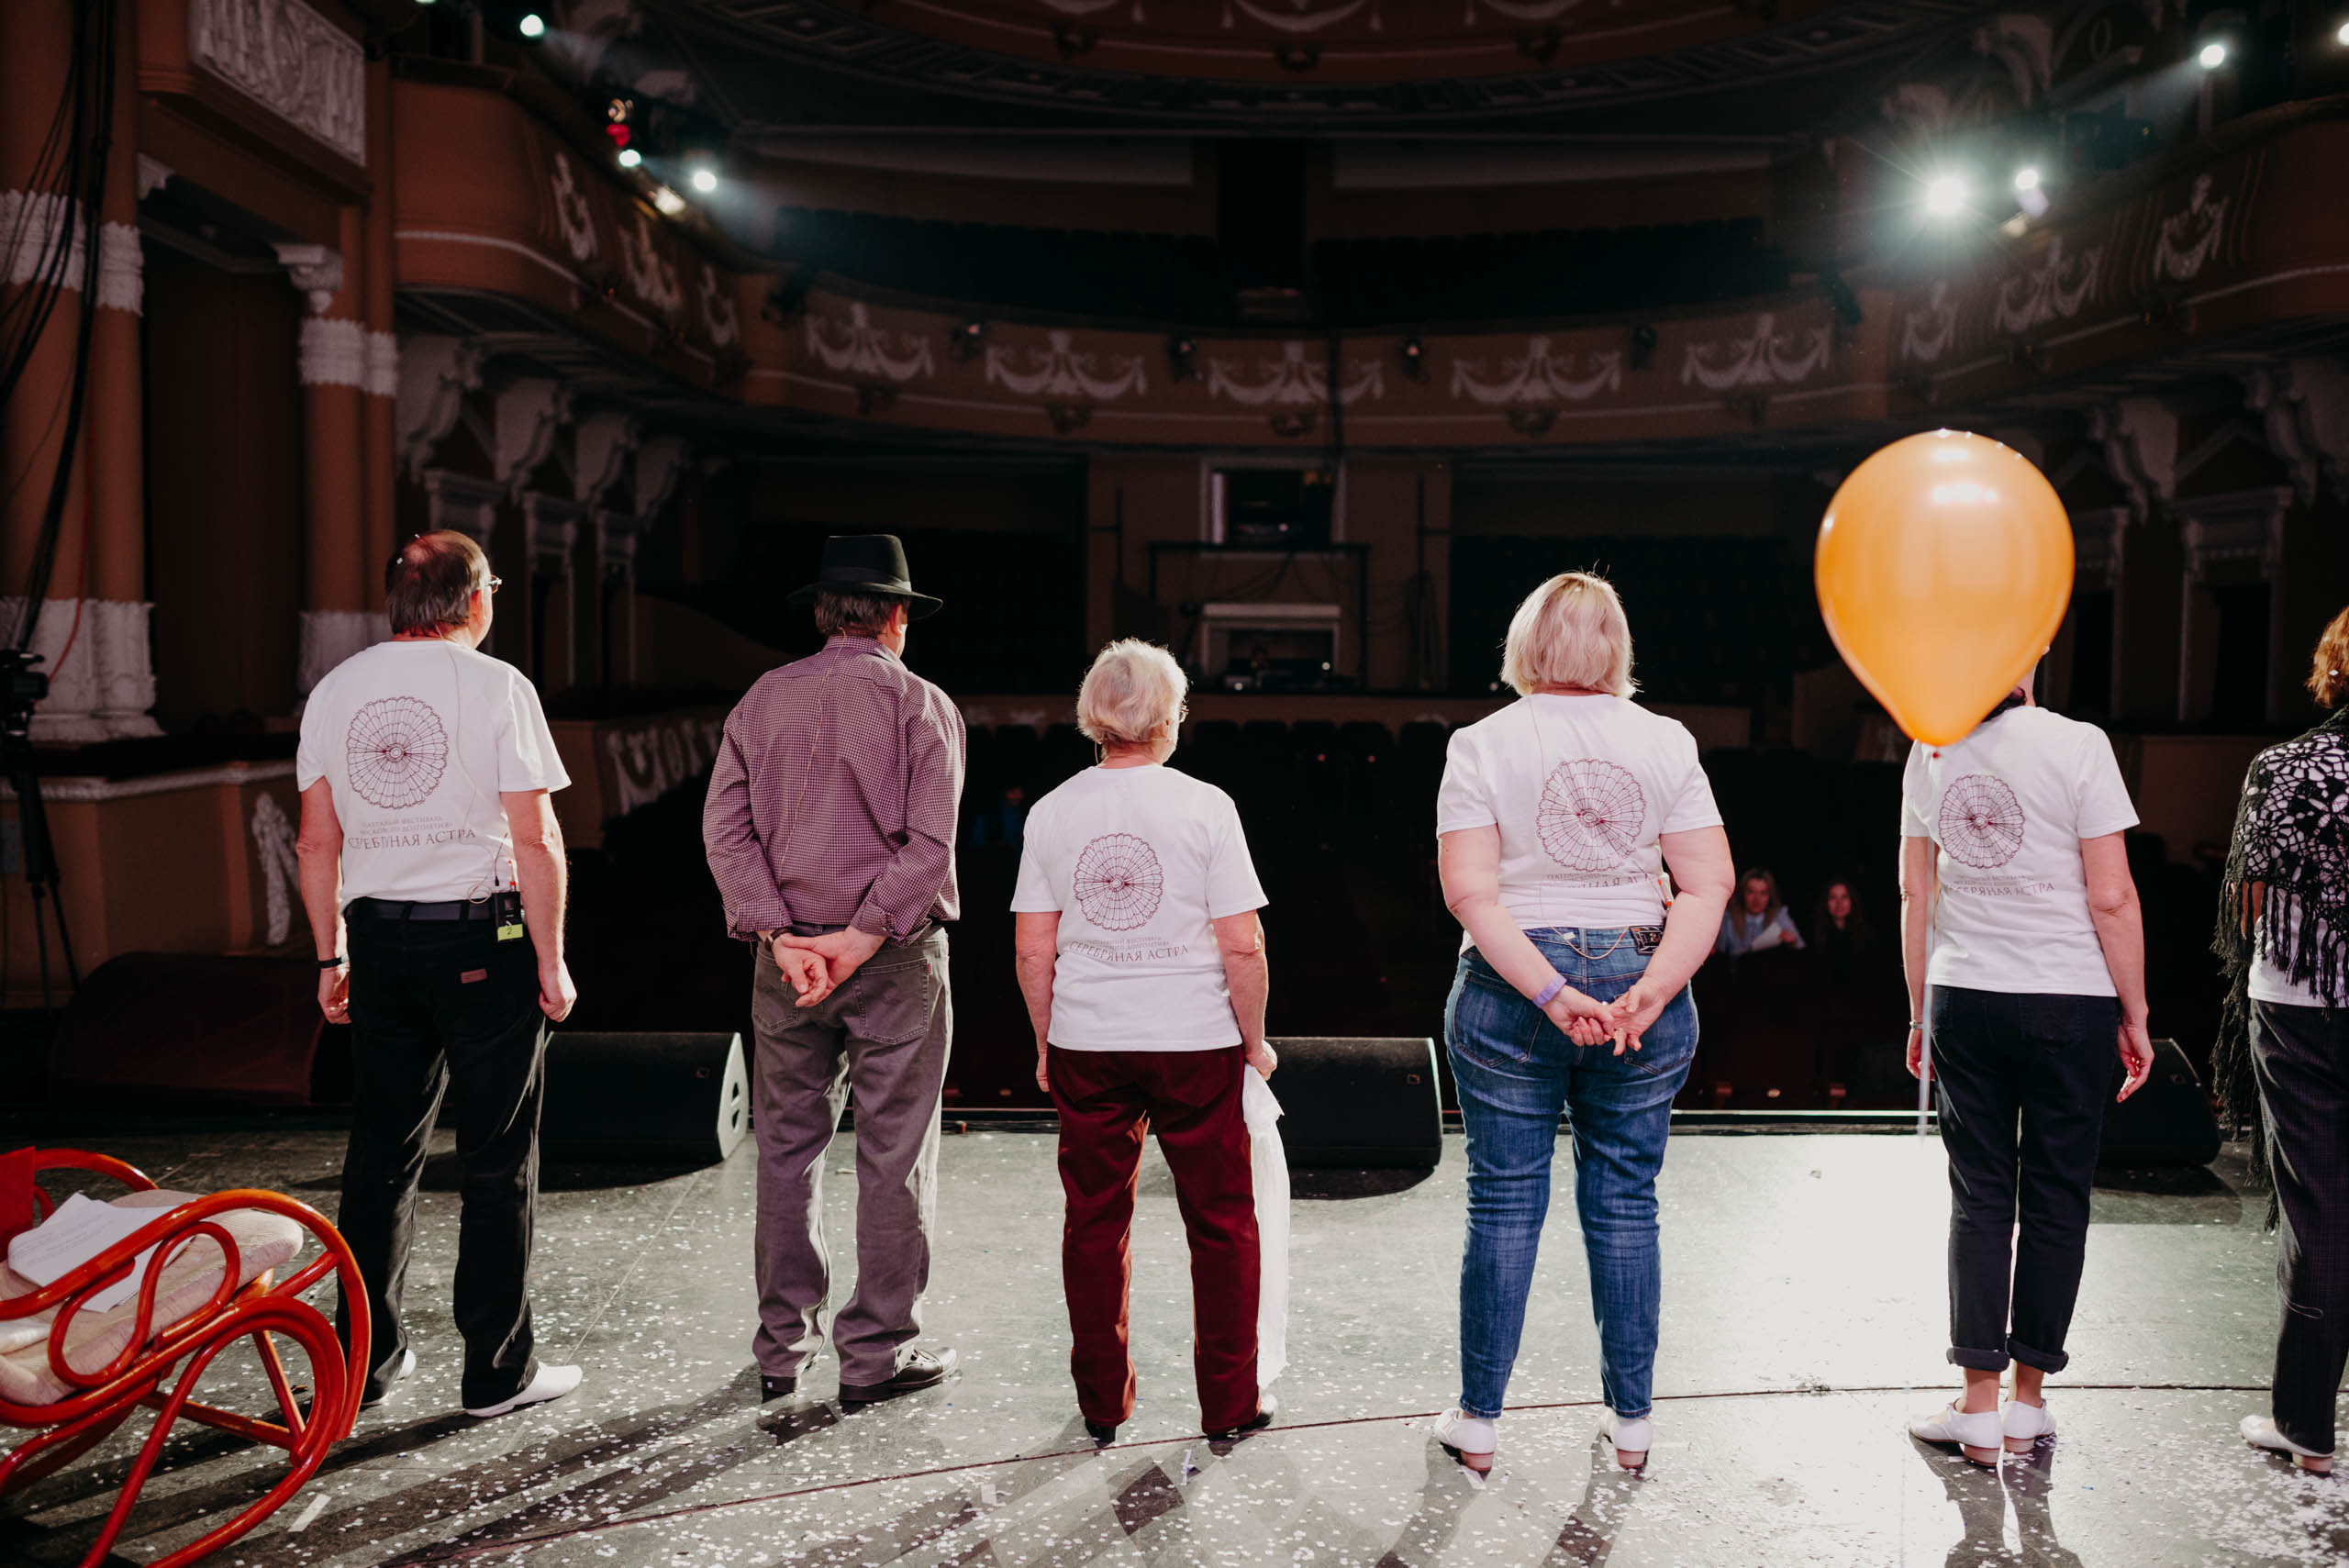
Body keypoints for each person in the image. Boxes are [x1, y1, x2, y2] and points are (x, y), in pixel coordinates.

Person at [1428, 572, 1735, 1474]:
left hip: (1510, 986)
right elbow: (1709, 884)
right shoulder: (1665, 738)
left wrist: (1550, 991)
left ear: (1526, 644)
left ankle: (1479, 1421)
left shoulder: (1481, 742)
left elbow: (1469, 893)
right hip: (1641, 969)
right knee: (1626, 1202)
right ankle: (1632, 1422)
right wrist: (1652, 989)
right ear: (1616, 647)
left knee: (1503, 1201)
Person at [295, 530, 581, 1419]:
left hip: (379, 944)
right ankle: (496, 1372)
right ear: (476, 598)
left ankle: (362, 1364)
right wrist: (550, 957)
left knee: (380, 1155)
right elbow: (536, 838)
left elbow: (314, 842)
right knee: (497, 1156)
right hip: (484, 941)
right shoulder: (499, 686)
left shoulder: (334, 689)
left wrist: (329, 954)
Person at [702, 534, 965, 1407]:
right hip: (892, 959)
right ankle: (875, 1355)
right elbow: (931, 844)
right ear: (896, 616)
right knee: (895, 1155)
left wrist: (782, 937)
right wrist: (858, 938)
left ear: (823, 613)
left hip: (788, 966)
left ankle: (783, 1348)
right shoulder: (921, 703)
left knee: (785, 1151)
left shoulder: (761, 699)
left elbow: (725, 831)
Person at [1012, 639, 1277, 1445]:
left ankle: (1103, 1402)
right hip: (1194, 1040)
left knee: (1093, 1222)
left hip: (1088, 1038)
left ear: (1094, 717)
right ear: (1170, 718)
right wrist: (1254, 1041)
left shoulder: (1051, 810)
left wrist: (1045, 1041)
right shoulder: (1207, 805)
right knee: (1222, 1224)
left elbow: (1032, 948)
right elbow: (1243, 945)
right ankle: (1229, 1403)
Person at [1900, 679, 2154, 1466]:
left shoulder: (1930, 747)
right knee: (2057, 1197)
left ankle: (1977, 1409)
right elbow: (2112, 897)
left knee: (1980, 1197)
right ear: (2034, 642)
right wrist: (2136, 1012)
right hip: (2070, 998)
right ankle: (2027, 1404)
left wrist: (1918, 1012)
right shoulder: (2080, 744)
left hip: (1967, 994)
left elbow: (1916, 890)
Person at [2217, 606, 2349, 1473]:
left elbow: (2251, 900)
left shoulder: (2283, 767)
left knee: (2320, 1211)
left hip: (2301, 1003)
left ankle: (2306, 1427)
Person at [1715, 868, 1805, 957]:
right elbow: (1720, 952)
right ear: (1743, 893)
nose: (1757, 900)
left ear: (1770, 896)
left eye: (1763, 893)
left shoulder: (1779, 916)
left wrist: (1792, 941)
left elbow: (1800, 945)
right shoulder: (1729, 917)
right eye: (1751, 892)